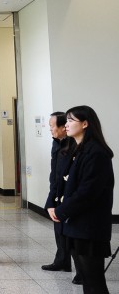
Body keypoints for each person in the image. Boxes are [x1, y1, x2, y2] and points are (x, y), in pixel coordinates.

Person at [50, 105, 114, 294]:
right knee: (86, 279)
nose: (66, 124)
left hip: (89, 226)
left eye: (71, 121)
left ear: (85, 124)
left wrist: (61, 211)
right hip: (75, 224)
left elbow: (87, 192)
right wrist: (53, 205)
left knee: (94, 282)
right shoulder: (75, 149)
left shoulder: (96, 153)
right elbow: (61, 181)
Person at [42, 112, 81, 281]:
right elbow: (55, 171)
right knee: (58, 228)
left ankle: (81, 271)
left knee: (71, 232)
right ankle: (62, 261)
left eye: (52, 126)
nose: (50, 129)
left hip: (70, 194)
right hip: (57, 190)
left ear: (63, 127)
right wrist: (51, 197)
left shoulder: (74, 144)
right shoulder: (56, 143)